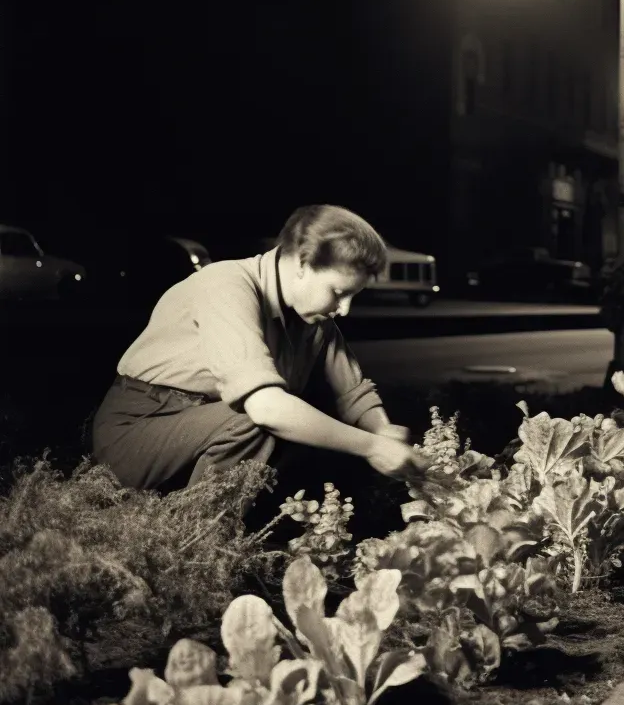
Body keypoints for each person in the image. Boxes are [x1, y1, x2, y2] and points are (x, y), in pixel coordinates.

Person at [91, 204, 427, 504]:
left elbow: (353, 394)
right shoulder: (225, 285)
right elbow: (266, 409)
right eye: (338, 292)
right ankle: (197, 552)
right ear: (300, 263)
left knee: (312, 433)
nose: (344, 309)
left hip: (208, 429)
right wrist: (372, 447)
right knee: (263, 421)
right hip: (138, 431)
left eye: (354, 296)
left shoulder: (313, 318)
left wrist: (383, 432)